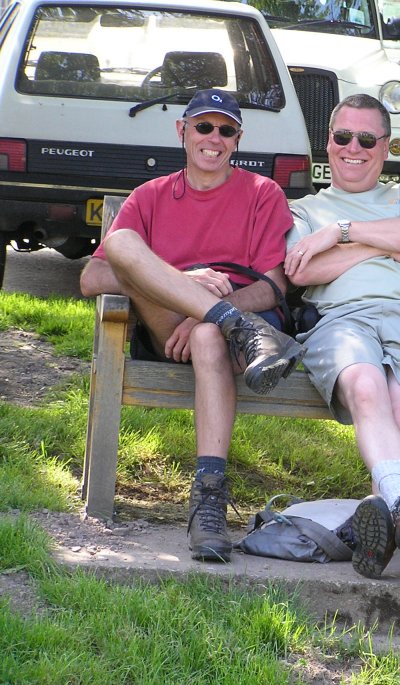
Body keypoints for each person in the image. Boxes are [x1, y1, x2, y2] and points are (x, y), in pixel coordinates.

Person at [80, 88, 305, 563]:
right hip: (172, 324)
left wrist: (212, 316)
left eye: (226, 130)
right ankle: (223, 321)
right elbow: (92, 276)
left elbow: (273, 285)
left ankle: (208, 502)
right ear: (182, 132)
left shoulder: (263, 193)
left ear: (237, 139)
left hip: (240, 327)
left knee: (208, 333)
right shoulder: (151, 196)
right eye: (204, 126)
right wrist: (187, 287)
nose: (214, 138)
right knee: (120, 243)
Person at [284, 94, 400, 580]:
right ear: (328, 143)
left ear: (386, 148)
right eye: (343, 137)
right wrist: (386, 249)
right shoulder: (303, 209)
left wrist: (341, 233)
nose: (353, 148)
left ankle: (381, 528)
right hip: (342, 319)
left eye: (367, 139)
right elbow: (301, 270)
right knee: (365, 382)